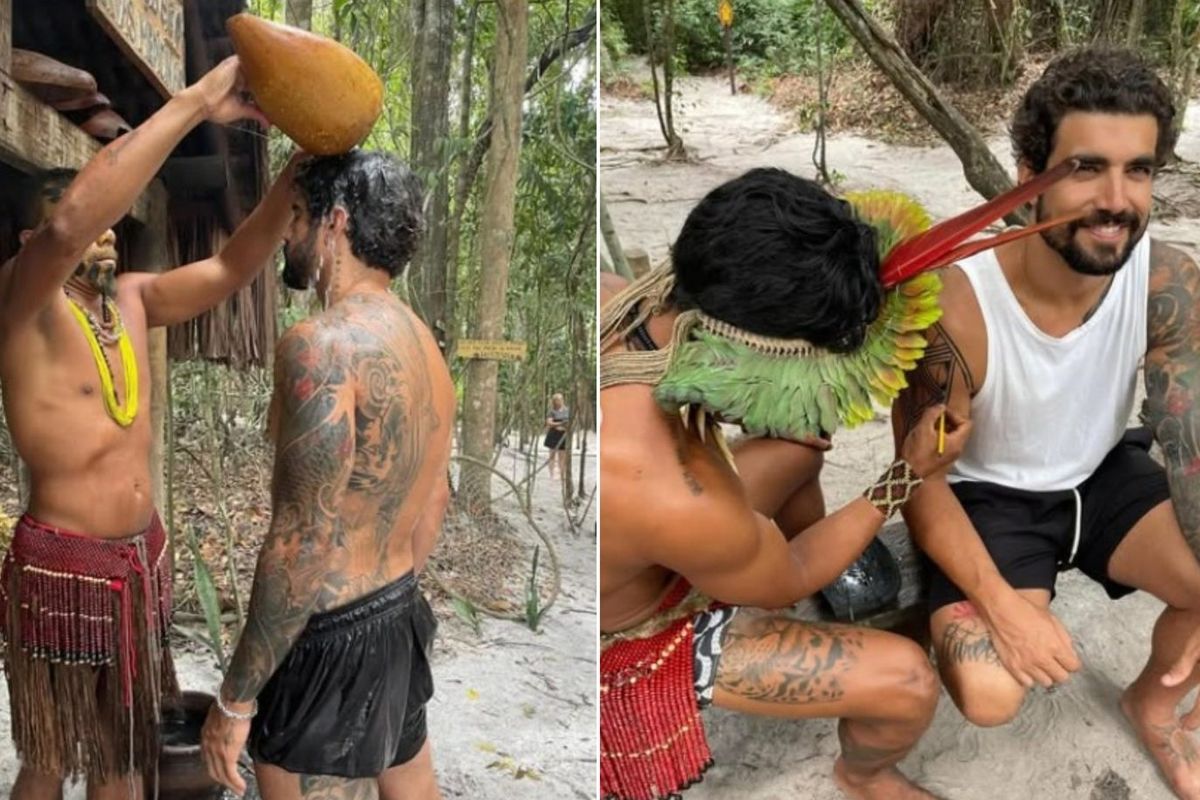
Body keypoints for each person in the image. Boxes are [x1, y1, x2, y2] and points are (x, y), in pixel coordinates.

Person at [599, 168, 975, 800]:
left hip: (670, 535)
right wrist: (905, 475)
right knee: (908, 680)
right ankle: (864, 776)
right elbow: (793, 571)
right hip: (637, 632)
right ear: (754, 355)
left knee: (797, 450)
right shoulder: (677, 493)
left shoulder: (626, 299)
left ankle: (802, 568)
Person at [893, 46, 1200, 799]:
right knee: (992, 693)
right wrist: (1004, 609)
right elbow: (916, 479)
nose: (1117, 200)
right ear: (1032, 169)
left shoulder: (1167, 279)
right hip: (988, 498)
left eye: (1139, 171)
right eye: (1087, 168)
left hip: (1102, 474)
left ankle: (1153, 707)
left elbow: (1188, 442)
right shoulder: (955, 305)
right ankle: (938, 606)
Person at [0, 56, 296, 799]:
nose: (103, 237)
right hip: (62, 570)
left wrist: (293, 181)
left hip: (141, 565)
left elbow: (230, 267)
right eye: (84, 227)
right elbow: (71, 224)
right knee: (46, 757)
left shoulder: (132, 299)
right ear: (32, 238)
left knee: (124, 756)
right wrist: (196, 101)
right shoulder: (22, 299)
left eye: (111, 230)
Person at [200, 150, 455, 800]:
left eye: (297, 217)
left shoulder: (322, 345)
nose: (287, 234)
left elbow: (301, 537)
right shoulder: (426, 348)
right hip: (399, 609)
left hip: (326, 633)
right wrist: (386, 602)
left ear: (334, 223)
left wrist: (236, 700)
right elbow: (434, 498)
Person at [545, 392, 570, 478]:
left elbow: (570, 423)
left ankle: (562, 474)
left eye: (560, 399)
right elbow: (549, 422)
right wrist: (560, 424)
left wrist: (563, 425)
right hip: (553, 435)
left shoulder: (567, 410)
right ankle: (551, 474)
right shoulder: (552, 411)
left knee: (562, 457)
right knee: (552, 455)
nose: (558, 402)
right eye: (556, 400)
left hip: (563, 435)